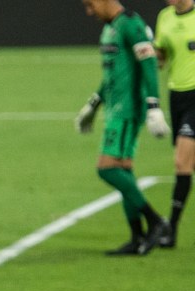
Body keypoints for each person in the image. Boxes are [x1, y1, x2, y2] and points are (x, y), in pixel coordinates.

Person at [77, 0, 172, 255]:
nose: (89, 12)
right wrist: (93, 104)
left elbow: (149, 64)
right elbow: (112, 74)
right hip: (114, 109)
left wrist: (154, 107)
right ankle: (137, 236)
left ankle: (155, 221)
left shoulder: (131, 25)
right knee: (123, 170)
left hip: (128, 111)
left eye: (90, 5)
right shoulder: (110, 28)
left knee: (107, 169)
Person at [154, 0, 195, 246]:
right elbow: (163, 56)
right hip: (176, 95)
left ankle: (171, 229)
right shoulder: (165, 17)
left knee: (181, 162)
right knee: (186, 160)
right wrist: (153, 56)